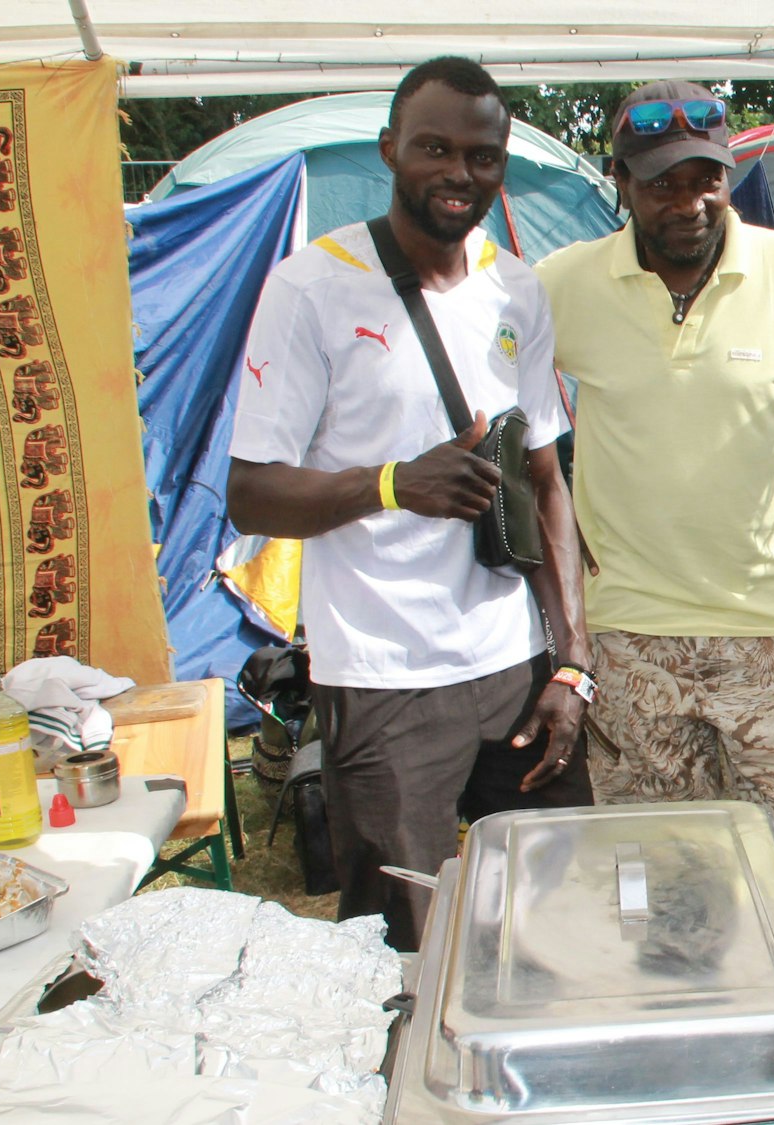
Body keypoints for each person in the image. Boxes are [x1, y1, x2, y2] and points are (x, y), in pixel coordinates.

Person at [227, 57, 591, 951]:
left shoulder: (518, 288)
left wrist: (572, 664)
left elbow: (545, 480)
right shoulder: (311, 287)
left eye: (483, 155)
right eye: (434, 148)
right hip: (383, 677)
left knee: (560, 913)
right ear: (391, 148)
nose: (459, 174)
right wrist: (393, 483)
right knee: (403, 940)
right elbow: (250, 494)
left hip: (514, 667)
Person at [534, 80, 774, 875]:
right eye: (661, 185)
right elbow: (507, 420)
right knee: (656, 881)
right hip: (627, 639)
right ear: (619, 182)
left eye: (705, 180)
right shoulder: (562, 284)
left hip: (772, 632)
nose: (688, 203)